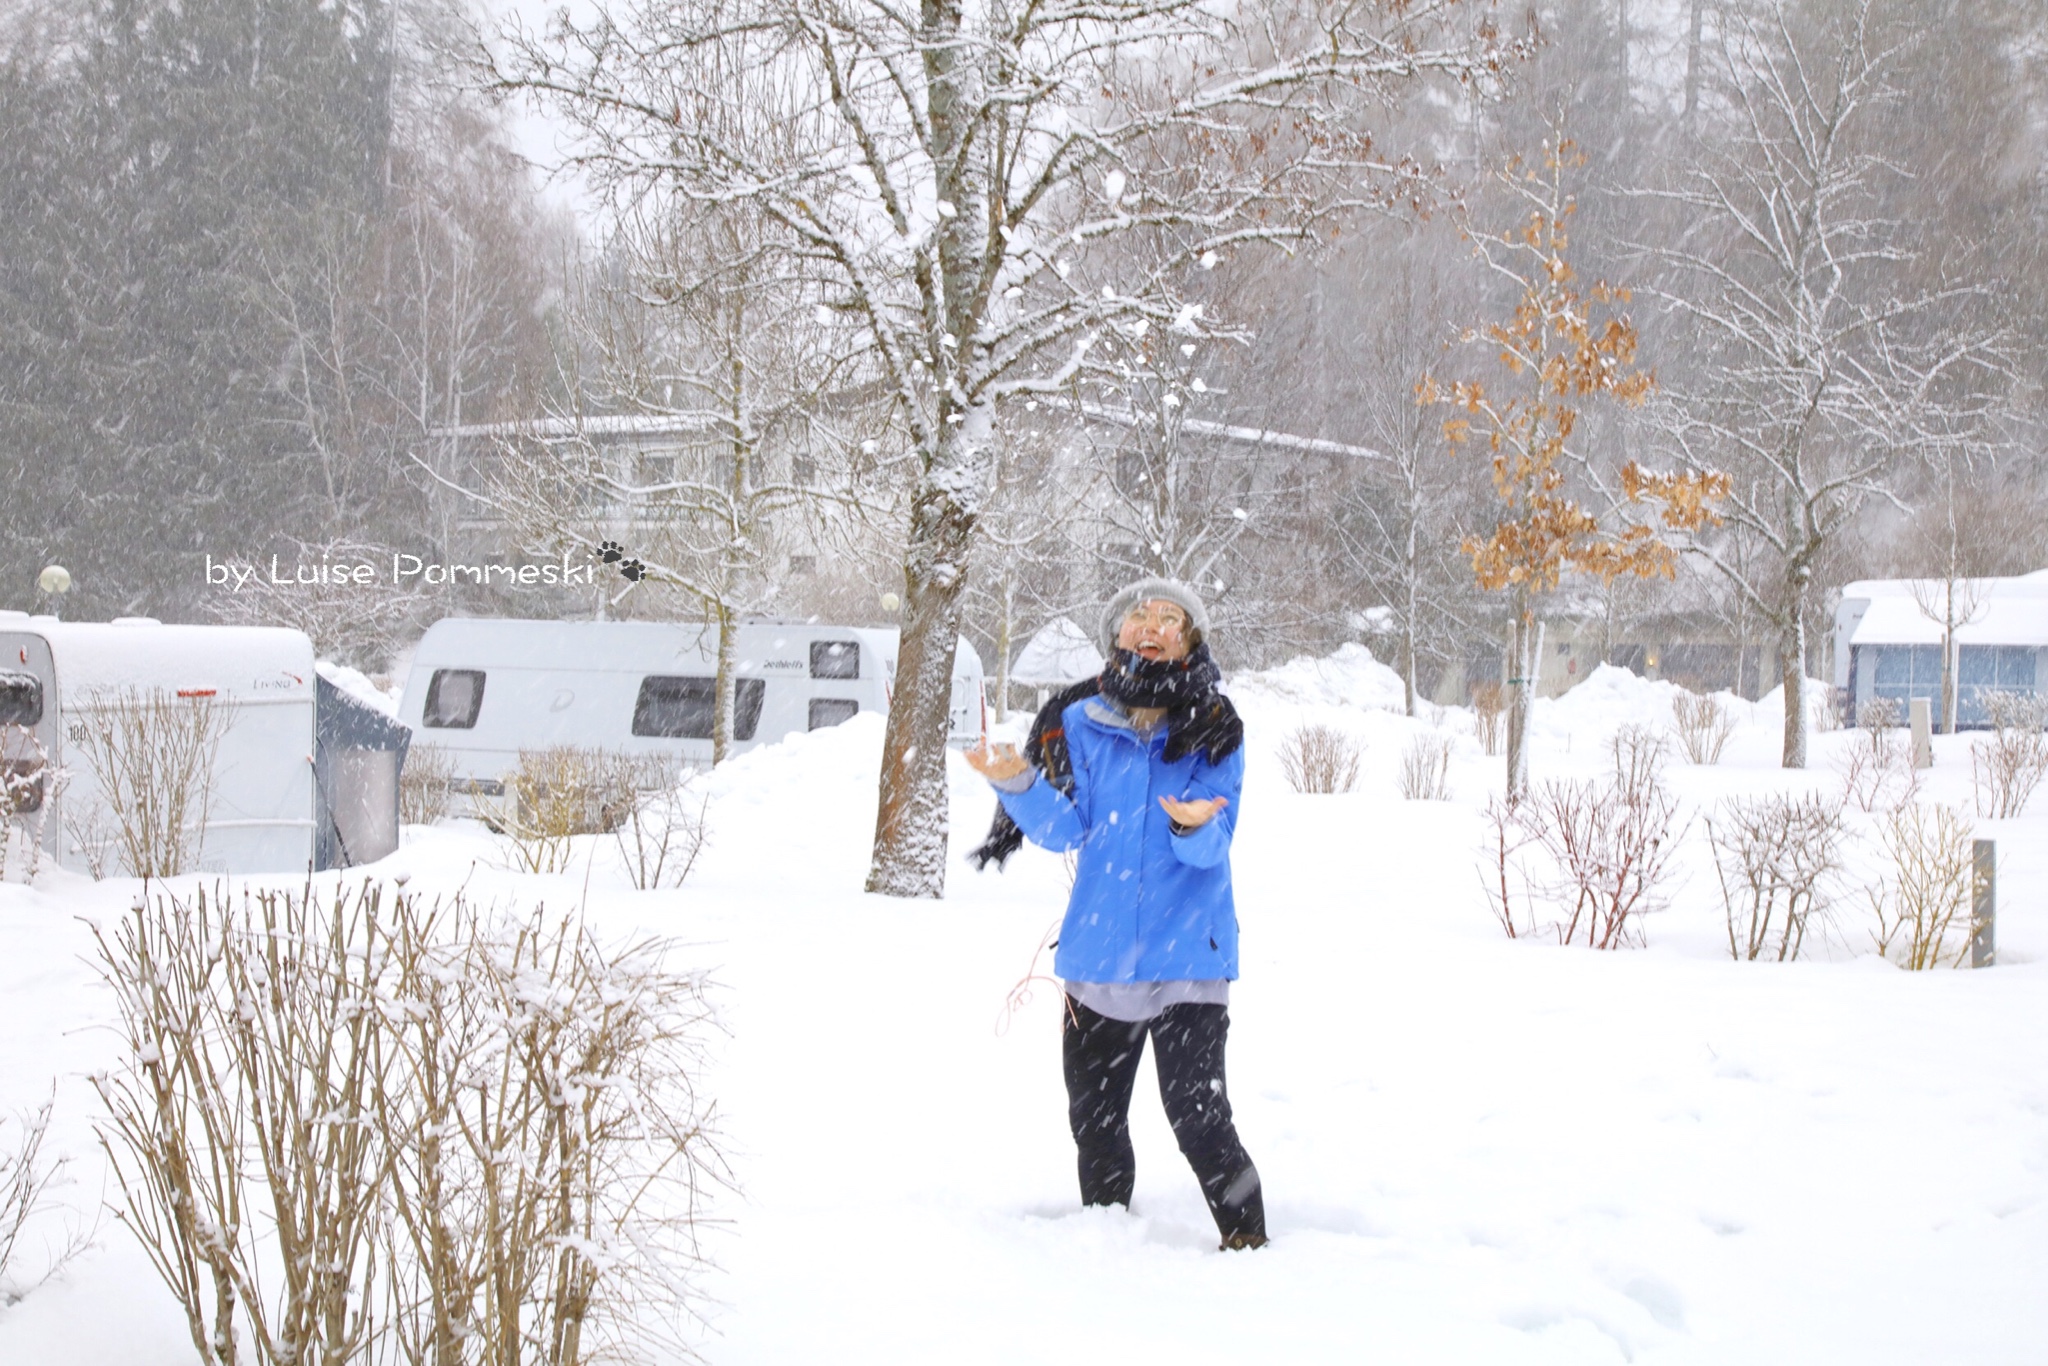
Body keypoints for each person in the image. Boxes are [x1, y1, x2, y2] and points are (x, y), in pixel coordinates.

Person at [966, 578, 1266, 1250]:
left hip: (1189, 954)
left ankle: (1248, 1243)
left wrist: (1193, 828)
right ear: (1117, 632)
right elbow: (1069, 829)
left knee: (1197, 1114)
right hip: (1099, 956)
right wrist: (1018, 783)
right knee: (1095, 1120)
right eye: (1139, 614)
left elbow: (1220, 837)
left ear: (1190, 640)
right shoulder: (1079, 720)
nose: (1152, 625)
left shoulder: (1216, 726)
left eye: (1171, 618)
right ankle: (1104, 1251)